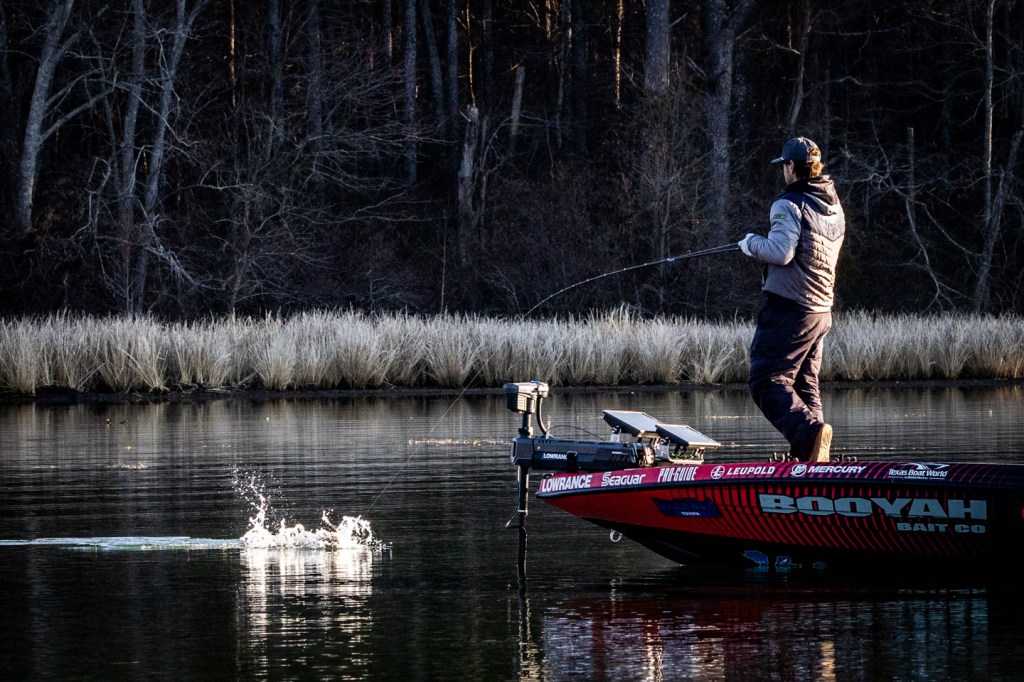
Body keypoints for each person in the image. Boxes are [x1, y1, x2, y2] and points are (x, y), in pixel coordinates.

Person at [738, 137, 845, 462]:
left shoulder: (788, 204)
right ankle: (812, 458)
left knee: (765, 379)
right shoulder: (833, 206)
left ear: (791, 166)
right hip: (820, 312)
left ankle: (809, 436)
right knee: (803, 384)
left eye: (784, 165)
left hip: (790, 309)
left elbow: (781, 252)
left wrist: (751, 243)